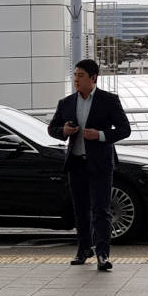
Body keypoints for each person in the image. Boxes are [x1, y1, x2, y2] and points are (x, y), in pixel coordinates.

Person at [48, 59, 130, 271]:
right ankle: (84, 249)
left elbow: (124, 129)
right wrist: (63, 131)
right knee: (81, 209)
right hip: (76, 163)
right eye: (75, 75)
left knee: (101, 209)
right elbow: (52, 128)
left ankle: (103, 254)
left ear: (93, 78)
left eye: (81, 75)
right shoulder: (65, 103)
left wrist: (100, 135)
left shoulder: (109, 100)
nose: (76, 79)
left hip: (100, 164)